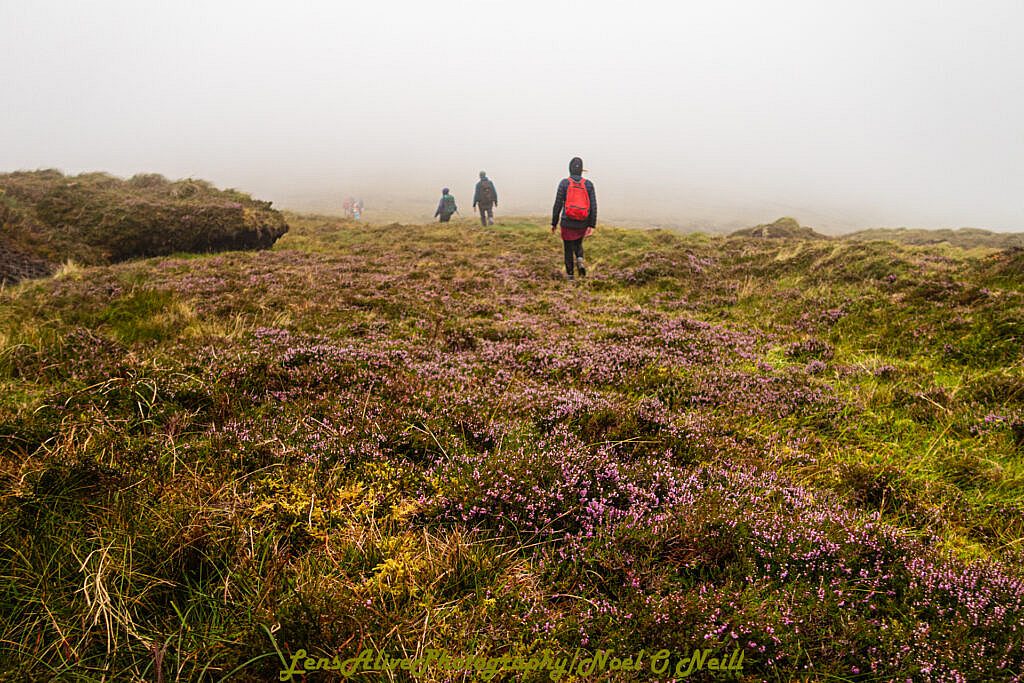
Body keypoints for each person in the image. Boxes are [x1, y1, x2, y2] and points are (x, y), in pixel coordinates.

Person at [551, 157, 596, 280]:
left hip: (567, 222)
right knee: (578, 243)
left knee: (568, 248)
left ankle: (570, 276)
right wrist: (591, 225)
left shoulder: (564, 183)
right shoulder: (588, 184)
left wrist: (554, 223)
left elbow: (557, 204)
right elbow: (593, 205)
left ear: (569, 169)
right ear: (582, 170)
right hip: (582, 222)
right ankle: (580, 259)